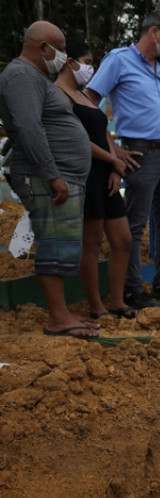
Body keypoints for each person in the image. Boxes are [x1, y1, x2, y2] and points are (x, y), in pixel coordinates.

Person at [85, 9, 160, 309]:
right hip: (140, 153)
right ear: (154, 32)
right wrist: (113, 147)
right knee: (134, 224)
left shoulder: (159, 68)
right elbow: (89, 104)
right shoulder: (119, 60)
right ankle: (132, 289)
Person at [0, 22, 98, 338]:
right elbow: (29, 128)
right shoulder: (20, 76)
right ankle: (58, 318)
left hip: (58, 175)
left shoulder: (33, 77)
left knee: (62, 244)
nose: (63, 58)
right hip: (44, 176)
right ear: (44, 48)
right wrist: (53, 174)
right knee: (54, 243)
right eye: (60, 50)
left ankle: (62, 314)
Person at [53, 40, 135, 319]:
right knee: (92, 243)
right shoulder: (58, 95)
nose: (90, 68)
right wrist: (112, 160)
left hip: (106, 175)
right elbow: (76, 140)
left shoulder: (85, 96)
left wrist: (115, 167)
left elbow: (104, 133)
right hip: (83, 175)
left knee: (123, 240)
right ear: (69, 62)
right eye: (87, 62)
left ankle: (117, 300)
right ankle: (96, 307)